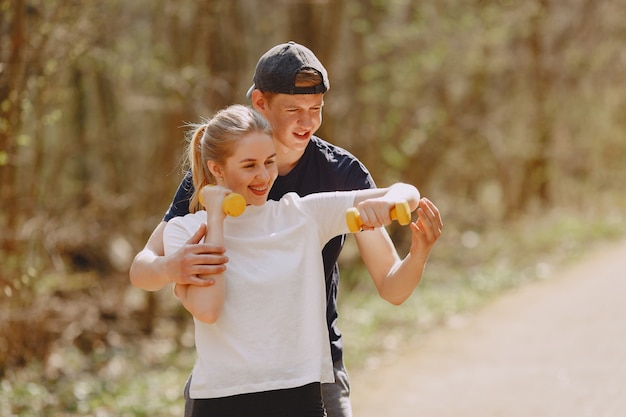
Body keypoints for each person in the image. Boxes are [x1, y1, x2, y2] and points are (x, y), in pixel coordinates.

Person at [129, 41, 443, 417]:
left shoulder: (338, 176)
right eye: (293, 109)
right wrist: (171, 268)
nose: (306, 122)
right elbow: (146, 262)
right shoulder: (216, 177)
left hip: (310, 372)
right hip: (229, 379)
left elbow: (392, 285)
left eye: (316, 109)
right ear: (259, 102)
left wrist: (402, 216)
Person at [164, 104, 423, 417]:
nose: (263, 176)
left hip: (300, 397)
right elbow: (207, 308)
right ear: (217, 169)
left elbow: (406, 192)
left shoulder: (302, 215)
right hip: (220, 401)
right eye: (249, 166)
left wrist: (389, 204)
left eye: (269, 162)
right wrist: (216, 221)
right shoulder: (185, 231)